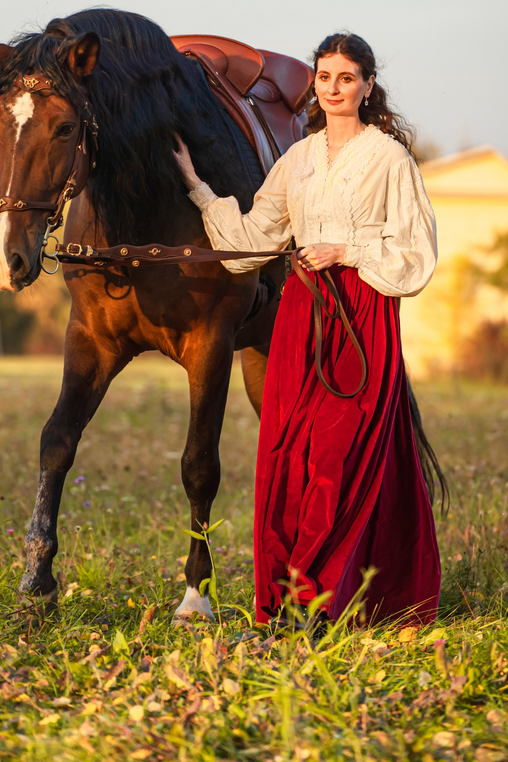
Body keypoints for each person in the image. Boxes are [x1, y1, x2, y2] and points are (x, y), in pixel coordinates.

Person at [173, 32, 441, 627]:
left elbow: (416, 252)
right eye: (325, 77)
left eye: (347, 78)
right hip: (302, 314)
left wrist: (346, 249)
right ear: (316, 85)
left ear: (368, 85)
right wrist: (196, 186)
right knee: (290, 450)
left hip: (363, 313)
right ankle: (295, 594)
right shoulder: (298, 158)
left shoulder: (389, 157)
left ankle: (324, 596)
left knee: (338, 455)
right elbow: (251, 240)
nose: (334, 89)